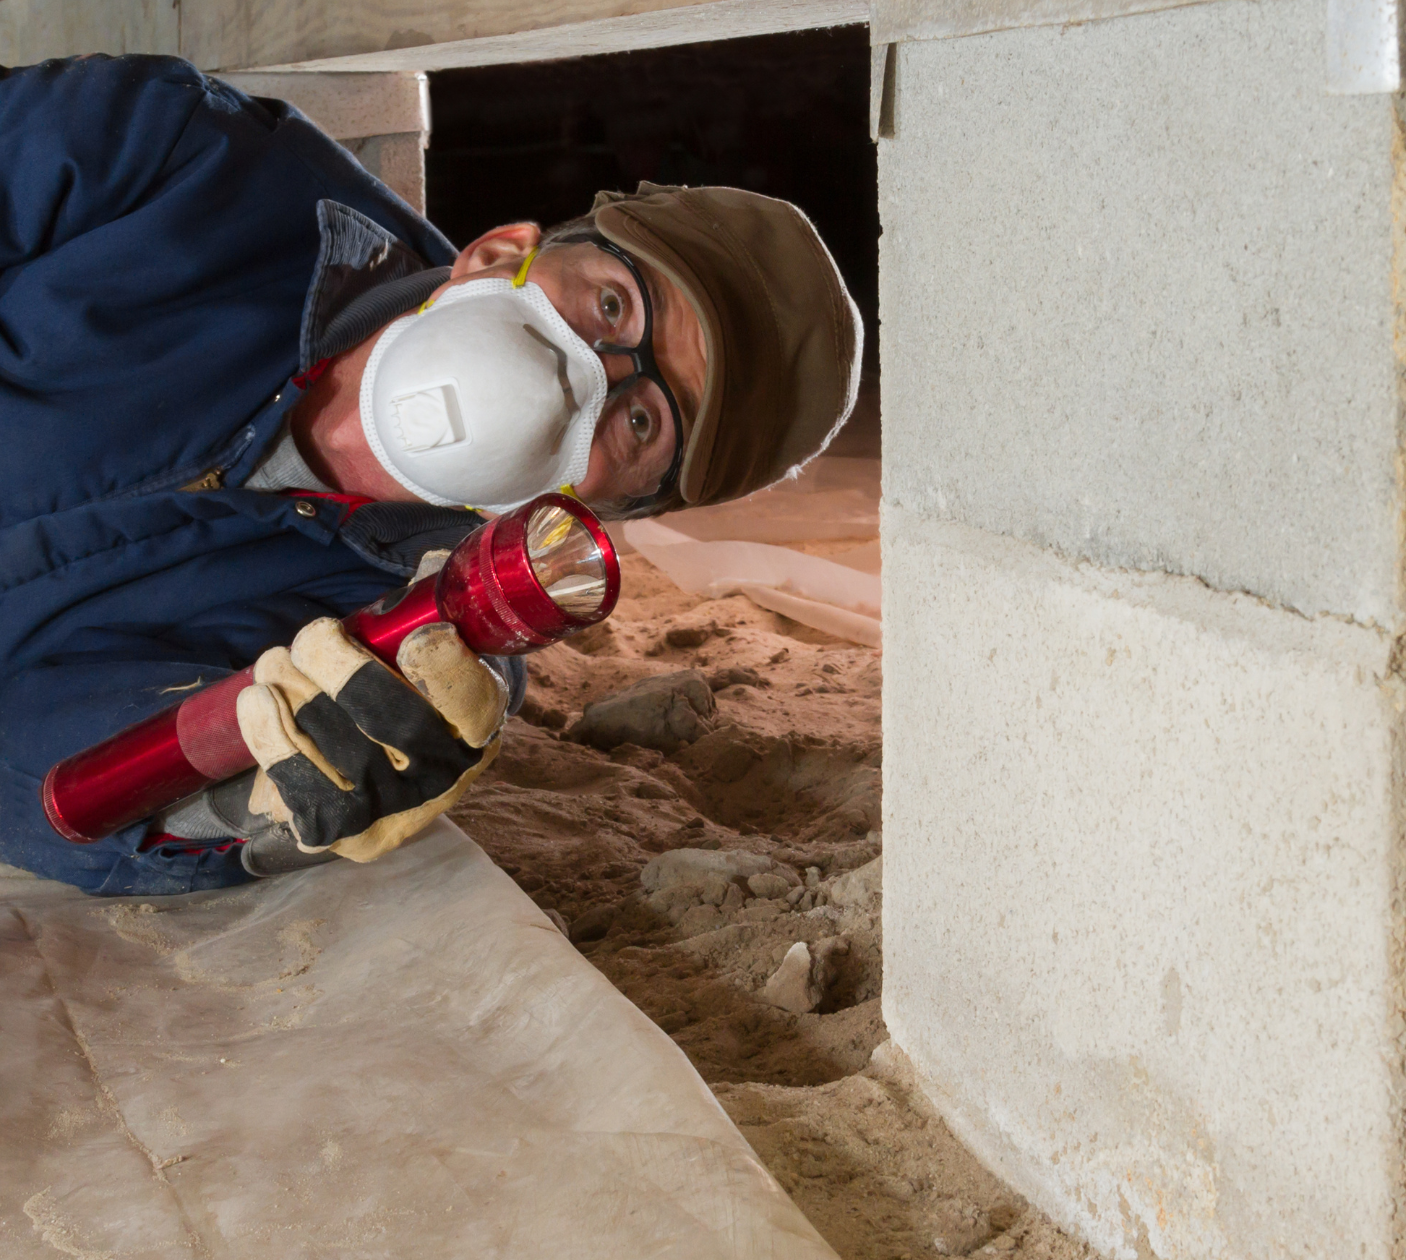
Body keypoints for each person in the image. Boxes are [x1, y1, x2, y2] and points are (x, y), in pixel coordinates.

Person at [0, 54, 863, 894]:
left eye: (642, 421)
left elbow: (48, 774)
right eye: (612, 305)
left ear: (609, 506)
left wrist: (220, 814)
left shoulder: (410, 656)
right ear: (498, 252)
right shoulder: (190, 160)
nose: (588, 373)